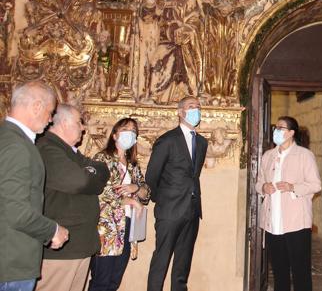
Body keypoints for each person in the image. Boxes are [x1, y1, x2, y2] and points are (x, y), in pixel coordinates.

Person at [0, 81, 69, 291]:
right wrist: (52, 230)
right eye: (50, 113)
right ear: (37, 107)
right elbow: (16, 211)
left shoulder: (6, 137)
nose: (50, 120)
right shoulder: (17, 146)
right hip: (12, 261)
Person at [36, 104, 110, 291]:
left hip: (78, 245)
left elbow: (102, 169)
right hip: (61, 250)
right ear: (64, 123)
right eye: (79, 122)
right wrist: (91, 178)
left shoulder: (70, 151)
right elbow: (80, 182)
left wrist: (90, 173)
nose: (83, 127)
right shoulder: (48, 148)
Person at [145, 96, 208, 291]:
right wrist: (162, 200)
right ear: (180, 112)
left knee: (183, 264)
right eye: (190, 107)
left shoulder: (202, 142)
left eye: (198, 107)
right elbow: (151, 176)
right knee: (161, 261)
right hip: (169, 211)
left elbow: (193, 175)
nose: (195, 110)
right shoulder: (167, 140)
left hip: (192, 210)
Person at [254, 116, 322, 291]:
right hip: (272, 223)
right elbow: (258, 182)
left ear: (291, 133)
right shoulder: (268, 155)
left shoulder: (304, 155)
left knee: (300, 271)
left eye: (281, 128)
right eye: (276, 127)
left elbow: (315, 185)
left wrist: (293, 187)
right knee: (278, 271)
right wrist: (264, 186)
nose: (276, 131)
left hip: (296, 222)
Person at [88, 117, 151, 291]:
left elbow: (146, 193)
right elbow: (98, 191)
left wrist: (136, 187)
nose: (129, 134)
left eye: (133, 131)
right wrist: (130, 200)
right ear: (115, 135)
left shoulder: (133, 165)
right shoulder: (102, 159)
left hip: (128, 225)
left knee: (114, 281)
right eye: (125, 129)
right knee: (101, 279)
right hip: (107, 226)